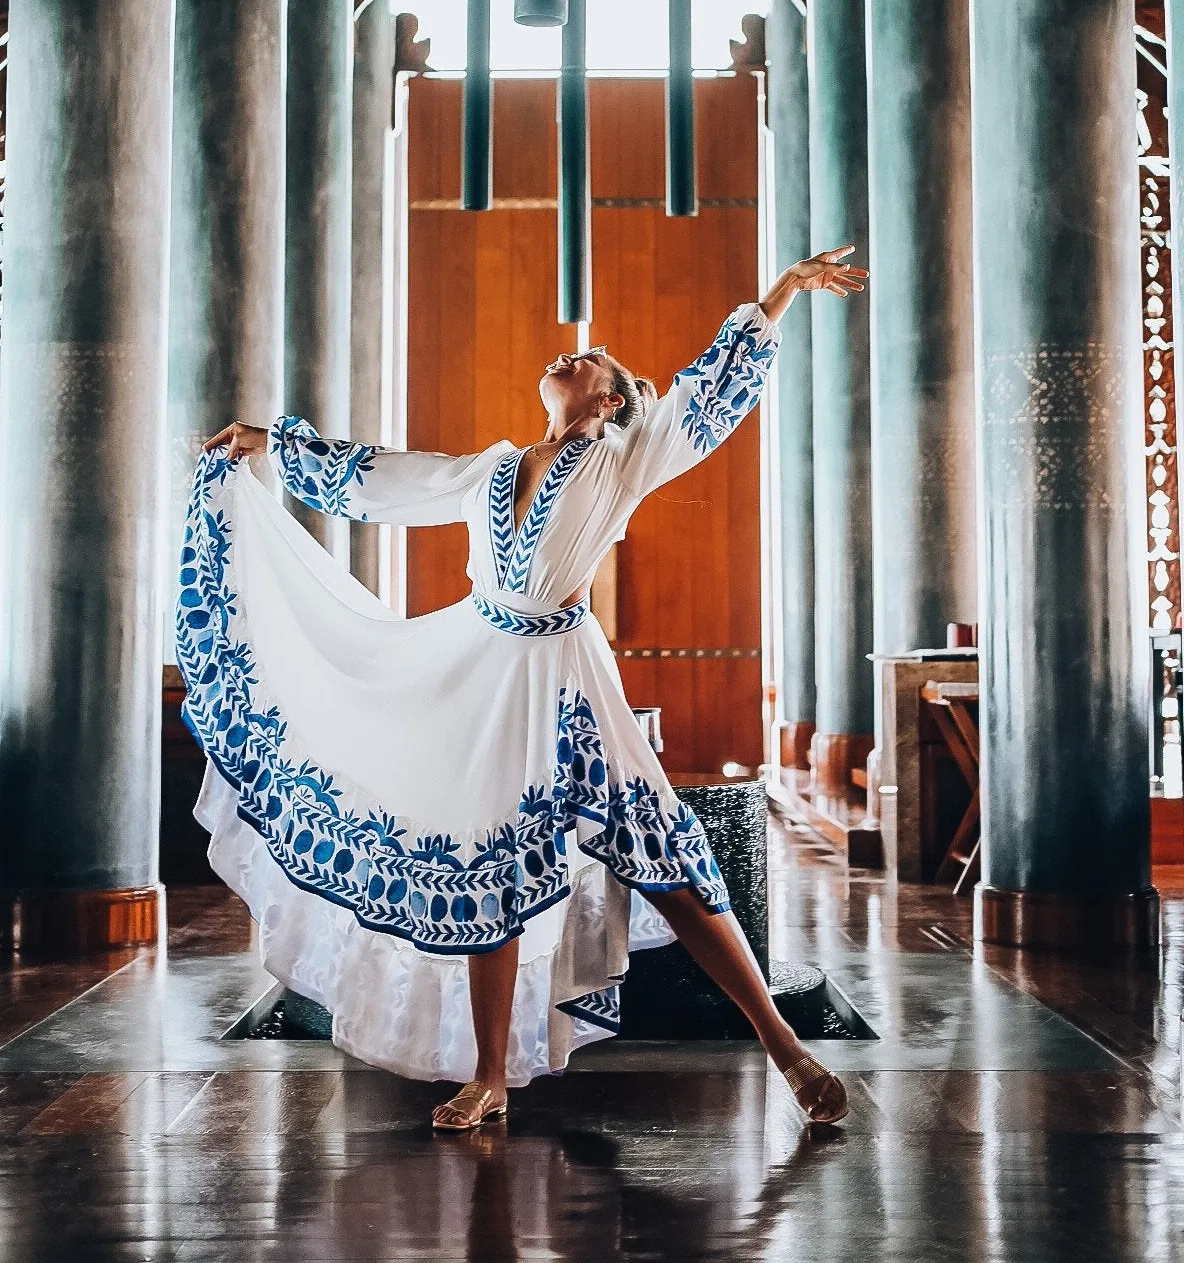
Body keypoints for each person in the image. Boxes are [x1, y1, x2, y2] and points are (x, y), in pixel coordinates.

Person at [185, 246, 867, 1132]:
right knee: (489, 864)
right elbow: (393, 475)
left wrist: (781, 292)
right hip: (482, 671)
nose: (565, 355)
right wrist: (269, 445)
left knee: (667, 857)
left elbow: (708, 392)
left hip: (569, 673)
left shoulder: (626, 455)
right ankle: (491, 1074)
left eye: (587, 359)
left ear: (611, 398)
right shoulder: (494, 469)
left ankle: (785, 1045)